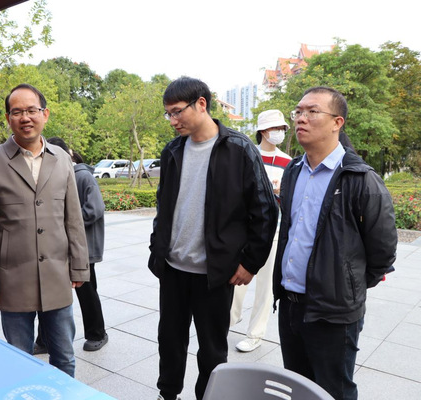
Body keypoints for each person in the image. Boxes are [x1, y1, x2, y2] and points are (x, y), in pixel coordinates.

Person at [149, 77, 278, 400]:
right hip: (173, 269)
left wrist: (250, 263)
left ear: (202, 104)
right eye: (168, 114)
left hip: (215, 273)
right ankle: (167, 394)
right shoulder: (173, 150)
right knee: (169, 341)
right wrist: (157, 248)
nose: (172, 120)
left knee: (212, 349)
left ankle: (207, 396)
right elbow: (164, 206)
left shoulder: (238, 148)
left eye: (177, 112)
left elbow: (266, 210)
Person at [273, 86, 398, 400]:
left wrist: (346, 285)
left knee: (334, 391)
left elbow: (383, 251)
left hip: (333, 312)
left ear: (337, 122)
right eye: (298, 111)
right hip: (290, 303)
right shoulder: (293, 171)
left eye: (312, 111)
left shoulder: (360, 178)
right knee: (298, 387)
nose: (301, 118)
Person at [0, 84, 90, 377]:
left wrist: (79, 266)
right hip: (12, 279)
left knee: (64, 357)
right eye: (17, 112)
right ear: (8, 118)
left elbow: (73, 218)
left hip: (57, 275)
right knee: (18, 361)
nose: (25, 117)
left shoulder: (62, 158)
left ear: (45, 114)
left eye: (32, 110)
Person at [35, 137, 108, 352]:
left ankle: (97, 334)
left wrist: (66, 221)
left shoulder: (83, 176)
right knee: (49, 292)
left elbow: (95, 209)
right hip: (59, 246)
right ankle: (45, 340)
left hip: (84, 247)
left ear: (67, 153)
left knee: (87, 293)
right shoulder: (53, 175)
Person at [230, 110, 292, 352]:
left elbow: (292, 200)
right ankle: (229, 318)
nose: (280, 132)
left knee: (266, 287)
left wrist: (279, 193)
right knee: (236, 279)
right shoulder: (247, 155)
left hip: (274, 230)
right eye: (276, 128)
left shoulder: (288, 162)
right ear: (263, 131)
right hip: (245, 230)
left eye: (282, 128)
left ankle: (255, 334)